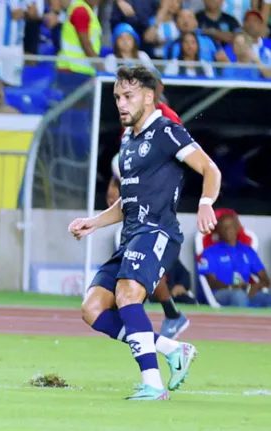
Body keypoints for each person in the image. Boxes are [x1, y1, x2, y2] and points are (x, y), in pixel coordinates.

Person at [69, 65, 222, 400]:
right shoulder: (127, 141)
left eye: (129, 96)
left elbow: (210, 168)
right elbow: (129, 199)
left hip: (159, 232)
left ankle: (153, 385)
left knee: (127, 295)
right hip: (131, 235)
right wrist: (93, 222)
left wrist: (206, 202)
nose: (121, 104)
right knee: (92, 308)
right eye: (117, 97)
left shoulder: (167, 131)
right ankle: (171, 349)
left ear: (149, 97)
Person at [106, 67, 190, 340]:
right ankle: (167, 313)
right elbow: (129, 158)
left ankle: (147, 308)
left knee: (142, 261)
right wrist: (116, 183)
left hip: (155, 203)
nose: (123, 102)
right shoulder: (132, 119)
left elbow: (180, 156)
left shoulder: (166, 119)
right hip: (136, 197)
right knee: (140, 263)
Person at [198, 210, 271, 307]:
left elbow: (265, 280)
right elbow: (212, 282)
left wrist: (255, 287)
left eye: (231, 226)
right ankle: (243, 322)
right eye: (223, 227)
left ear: (237, 228)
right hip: (221, 293)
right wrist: (231, 287)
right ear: (218, 231)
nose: (228, 230)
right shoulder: (209, 252)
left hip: (245, 292)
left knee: (267, 298)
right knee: (238, 296)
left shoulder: (248, 251)